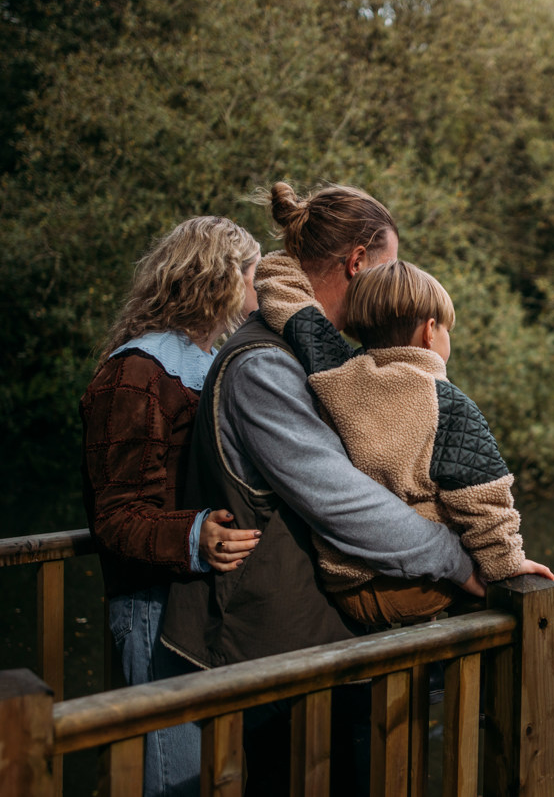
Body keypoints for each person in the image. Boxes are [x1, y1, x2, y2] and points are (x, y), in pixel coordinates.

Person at [159, 183, 482, 795]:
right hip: (276, 657)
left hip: (321, 650)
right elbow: (340, 499)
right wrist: (457, 562)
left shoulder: (325, 358)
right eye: (389, 267)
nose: (395, 288)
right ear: (357, 262)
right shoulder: (264, 364)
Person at [256, 255, 554, 626]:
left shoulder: (334, 370)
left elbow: (281, 291)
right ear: (431, 331)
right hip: (410, 588)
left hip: (343, 584)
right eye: (447, 330)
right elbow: (483, 500)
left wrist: (297, 237)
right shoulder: (447, 403)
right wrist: (507, 563)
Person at [80, 216, 263, 797]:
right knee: (172, 782)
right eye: (254, 276)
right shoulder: (136, 372)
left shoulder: (209, 363)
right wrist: (198, 533)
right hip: (152, 604)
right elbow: (115, 513)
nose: (261, 293)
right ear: (221, 278)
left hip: (201, 600)